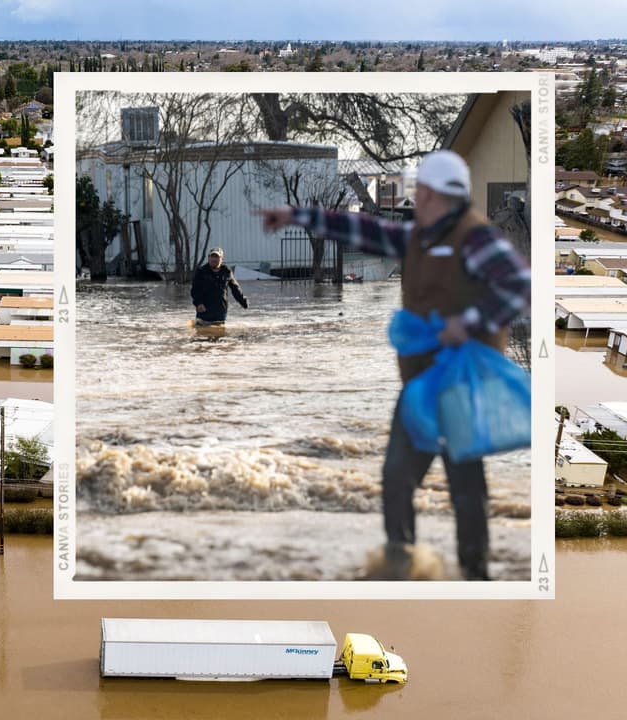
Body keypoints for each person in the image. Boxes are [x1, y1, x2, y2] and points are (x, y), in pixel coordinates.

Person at [256, 149, 531, 581]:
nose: (415, 197)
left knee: (465, 488)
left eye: (420, 190)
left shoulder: (475, 236)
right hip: (421, 383)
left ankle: (476, 575)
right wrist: (296, 215)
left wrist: (471, 321)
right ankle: (402, 564)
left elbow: (519, 285)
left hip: (462, 383)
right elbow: (364, 230)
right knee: (398, 478)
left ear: (437, 194)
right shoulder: (418, 236)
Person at [190, 247, 248, 324]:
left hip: (220, 312)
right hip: (204, 311)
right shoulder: (201, 271)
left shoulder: (227, 271)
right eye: (212, 256)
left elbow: (235, 289)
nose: (214, 259)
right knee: (202, 334)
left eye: (216, 257)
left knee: (220, 333)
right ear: (208, 258)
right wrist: (198, 303)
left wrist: (243, 302)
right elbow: (195, 290)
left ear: (221, 259)